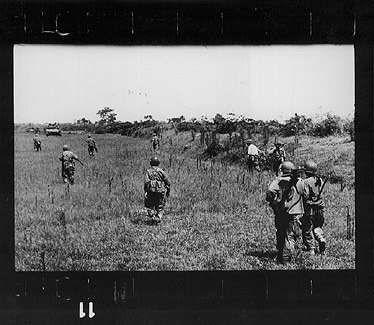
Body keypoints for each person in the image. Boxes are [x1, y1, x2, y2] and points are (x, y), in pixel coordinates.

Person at [266, 161, 314, 263]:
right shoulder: (300, 181)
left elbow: (270, 191)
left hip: (281, 212)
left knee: (280, 232)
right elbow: (306, 194)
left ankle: (280, 252)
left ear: (282, 170)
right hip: (295, 212)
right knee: (290, 236)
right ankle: (286, 259)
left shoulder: (279, 180)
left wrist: (274, 202)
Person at [302, 160, 326, 254]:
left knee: (307, 229)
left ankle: (311, 248)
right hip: (320, 208)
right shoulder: (319, 180)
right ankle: (321, 238)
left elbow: (305, 196)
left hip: (310, 209)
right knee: (317, 226)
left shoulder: (306, 182)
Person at [144, 156, 170, 223]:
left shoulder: (148, 171)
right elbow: (167, 182)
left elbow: (146, 182)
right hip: (160, 191)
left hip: (150, 192)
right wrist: (168, 191)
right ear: (158, 163)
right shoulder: (161, 171)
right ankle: (158, 217)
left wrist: (145, 191)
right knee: (160, 206)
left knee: (150, 205)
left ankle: (152, 217)